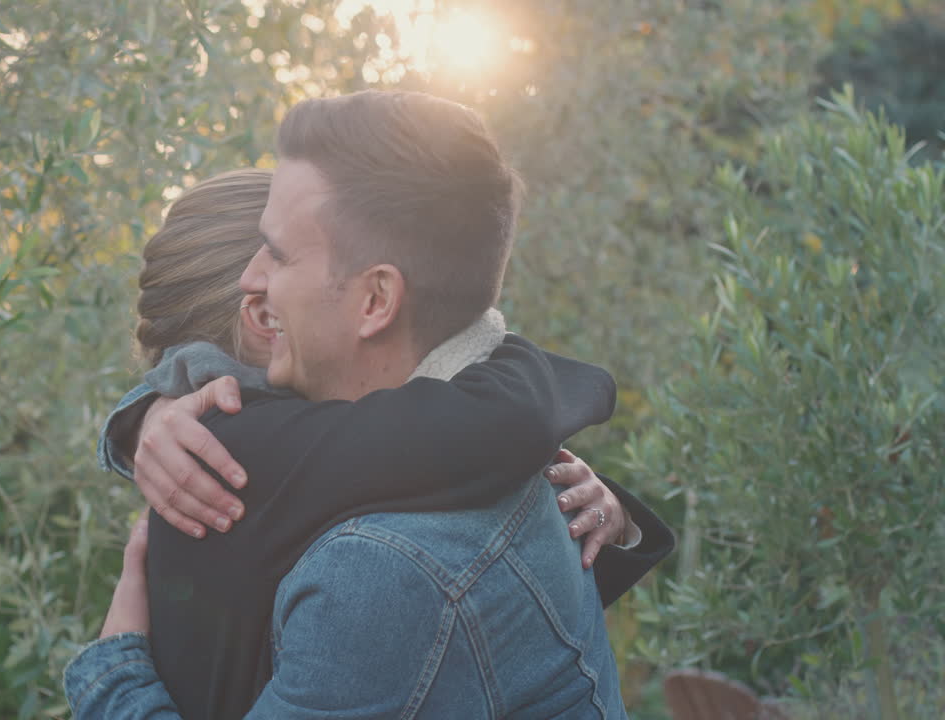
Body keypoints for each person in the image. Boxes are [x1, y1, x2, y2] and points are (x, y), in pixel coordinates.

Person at [67, 91, 674, 719]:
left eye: (276, 253)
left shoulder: (380, 569)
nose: (257, 276)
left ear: (374, 300)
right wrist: (146, 418)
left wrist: (112, 667)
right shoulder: (473, 430)